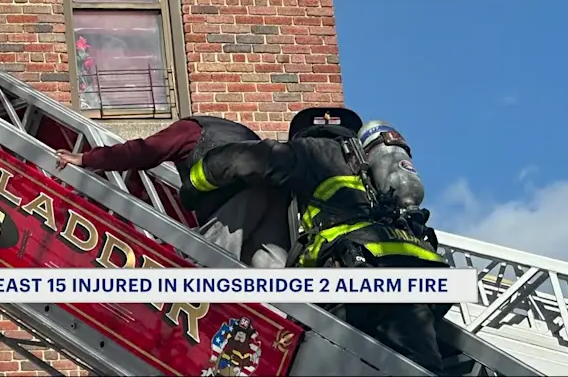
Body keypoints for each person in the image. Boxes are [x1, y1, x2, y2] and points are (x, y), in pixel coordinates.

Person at [186, 107, 451, 375]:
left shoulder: (314, 151)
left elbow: (248, 158)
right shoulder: (370, 168)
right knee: (419, 364)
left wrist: (195, 182)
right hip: (417, 273)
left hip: (352, 273)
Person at [55, 116, 291, 268]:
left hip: (237, 201)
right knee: (271, 270)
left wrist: (86, 158)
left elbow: (143, 152)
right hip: (276, 193)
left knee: (207, 263)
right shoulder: (236, 132)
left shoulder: (188, 130)